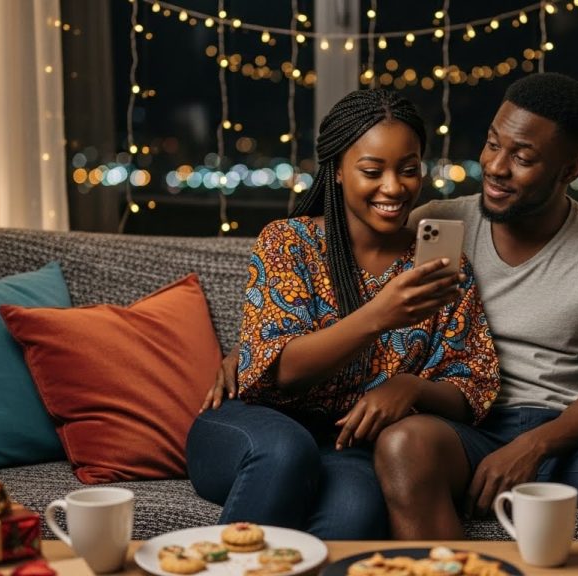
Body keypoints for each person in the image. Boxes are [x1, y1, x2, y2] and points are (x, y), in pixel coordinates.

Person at [370, 72, 578, 539]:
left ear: (570, 170)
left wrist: (534, 445)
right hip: (466, 429)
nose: (496, 166)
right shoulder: (439, 224)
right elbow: (349, 296)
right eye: (493, 145)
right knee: (402, 443)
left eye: (523, 157)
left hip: (576, 436)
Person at [186, 88, 500, 540]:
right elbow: (280, 370)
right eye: (373, 171)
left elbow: (474, 385)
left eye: (408, 170)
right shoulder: (287, 243)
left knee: (357, 507)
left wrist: (409, 387)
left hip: (345, 446)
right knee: (287, 451)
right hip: (253, 430)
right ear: (335, 171)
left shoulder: (437, 269)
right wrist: (380, 313)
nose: (394, 187)